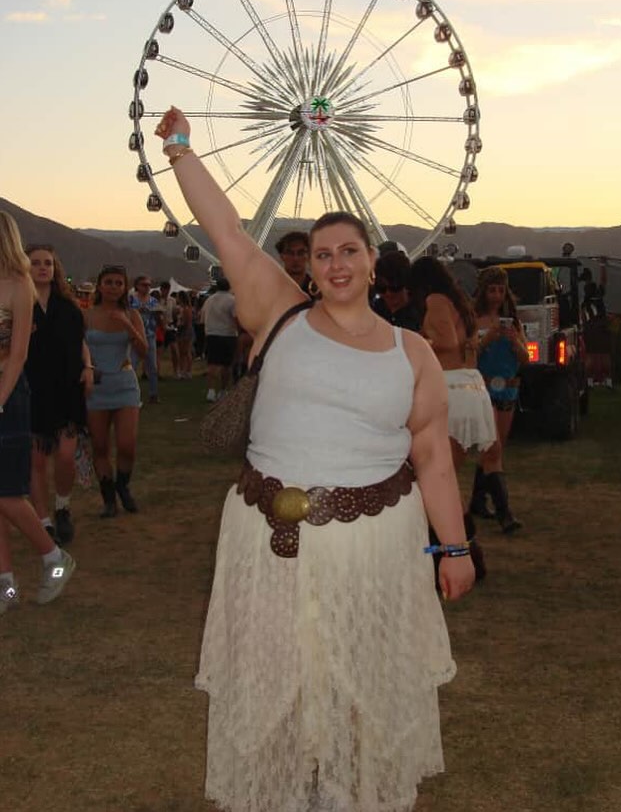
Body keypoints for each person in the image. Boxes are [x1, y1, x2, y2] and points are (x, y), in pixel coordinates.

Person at [156, 106, 474, 812]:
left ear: (372, 261)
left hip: (375, 546)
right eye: (322, 252)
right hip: (266, 542)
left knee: (362, 683)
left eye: (349, 251)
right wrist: (182, 153)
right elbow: (230, 231)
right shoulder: (279, 310)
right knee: (277, 681)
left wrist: (454, 547)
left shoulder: (411, 352)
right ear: (310, 262)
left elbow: (433, 459)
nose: (334, 263)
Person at [0, 211, 75, 615]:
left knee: (7, 494)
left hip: (8, 396)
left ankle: (54, 559)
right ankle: (6, 587)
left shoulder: (18, 286)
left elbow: (18, 356)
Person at [409, 256, 498, 580]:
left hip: (451, 388)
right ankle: (464, 552)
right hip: (471, 384)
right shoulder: (458, 300)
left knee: (434, 479)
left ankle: (447, 553)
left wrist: (417, 343)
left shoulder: (434, 300)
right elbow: (467, 341)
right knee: (444, 479)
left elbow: (448, 341)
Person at [24, 245, 93, 545]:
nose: (42, 268)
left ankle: (62, 506)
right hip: (30, 389)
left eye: (48, 263)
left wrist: (88, 366)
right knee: (36, 461)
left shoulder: (68, 307)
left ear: (56, 268)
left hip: (67, 388)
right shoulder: (17, 303)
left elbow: (80, 342)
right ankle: (43, 519)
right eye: (36, 263)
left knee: (66, 456)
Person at [84, 266, 147, 518]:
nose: (113, 287)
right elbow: (77, 349)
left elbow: (144, 352)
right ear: (99, 286)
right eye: (108, 282)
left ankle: (123, 485)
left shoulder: (132, 315)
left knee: (126, 445)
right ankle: (108, 498)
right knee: (99, 447)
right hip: (96, 387)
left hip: (124, 385)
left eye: (118, 283)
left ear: (124, 287)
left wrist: (127, 327)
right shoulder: (86, 316)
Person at [470, 266, 529, 533]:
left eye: (500, 290)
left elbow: (525, 358)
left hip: (508, 388)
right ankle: (505, 513)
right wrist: (487, 340)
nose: (496, 295)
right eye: (491, 290)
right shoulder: (473, 320)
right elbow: (467, 354)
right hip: (482, 389)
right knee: (492, 449)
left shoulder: (513, 323)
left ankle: (477, 501)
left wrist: (515, 342)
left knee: (495, 449)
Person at [200, 277, 238, 402]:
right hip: (228, 334)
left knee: (212, 363)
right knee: (226, 364)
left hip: (211, 334)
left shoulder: (209, 300)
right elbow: (236, 317)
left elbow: (202, 316)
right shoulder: (232, 300)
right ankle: (223, 390)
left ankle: (210, 391)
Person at [130, 274, 162, 403]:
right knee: (132, 365)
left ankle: (153, 394)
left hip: (150, 336)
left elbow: (158, 318)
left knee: (152, 367)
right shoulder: (131, 300)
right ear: (137, 286)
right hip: (135, 336)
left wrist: (159, 315)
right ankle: (131, 393)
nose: (147, 287)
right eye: (144, 285)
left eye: (149, 285)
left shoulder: (153, 301)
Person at [373, 250, 422, 332]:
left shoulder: (420, 314)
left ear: (406, 283)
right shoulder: (374, 310)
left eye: (394, 287)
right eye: (381, 287)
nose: (388, 293)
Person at [275, 229, 315, 296]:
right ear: (282, 256)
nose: (295, 258)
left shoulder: (318, 292)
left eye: (301, 253)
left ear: (309, 256)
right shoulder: (270, 288)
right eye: (290, 253)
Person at [158, 280, 179, 378]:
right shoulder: (157, 300)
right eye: (164, 289)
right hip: (160, 327)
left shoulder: (172, 300)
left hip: (170, 326)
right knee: (160, 351)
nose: (166, 292)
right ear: (161, 290)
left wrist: (174, 324)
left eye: (168, 289)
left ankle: (176, 372)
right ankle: (157, 372)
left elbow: (174, 314)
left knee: (175, 350)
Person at [175, 290, 194, 379]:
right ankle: (182, 370)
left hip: (185, 330)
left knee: (186, 351)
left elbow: (188, 322)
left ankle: (188, 371)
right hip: (180, 330)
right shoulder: (180, 308)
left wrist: (182, 324)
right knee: (181, 352)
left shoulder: (187, 308)